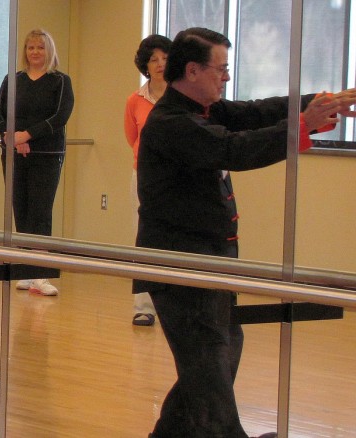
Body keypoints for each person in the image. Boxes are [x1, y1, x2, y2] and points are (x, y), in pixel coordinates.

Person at [135, 27, 356, 438]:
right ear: (193, 70)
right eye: (221, 69)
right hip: (182, 269)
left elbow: (258, 112)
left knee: (215, 362)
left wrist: (322, 102)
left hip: (212, 264)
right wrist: (302, 126)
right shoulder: (170, 123)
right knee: (210, 372)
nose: (226, 78)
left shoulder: (206, 109)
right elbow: (234, 150)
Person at [0, 28, 74, 296]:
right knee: (21, 209)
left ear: (49, 51)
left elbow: (60, 116)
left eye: (40, 47)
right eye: (30, 48)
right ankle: (25, 269)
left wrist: (29, 135)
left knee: (40, 212)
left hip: (46, 155)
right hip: (14, 151)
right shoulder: (13, 80)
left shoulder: (60, 81)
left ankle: (41, 271)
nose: (35, 52)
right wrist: (13, 137)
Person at [123, 34, 171, 327]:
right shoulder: (134, 100)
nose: (160, 64)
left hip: (177, 176)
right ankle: (143, 306)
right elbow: (132, 137)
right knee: (143, 238)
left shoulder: (182, 97)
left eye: (165, 58)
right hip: (143, 175)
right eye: (153, 59)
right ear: (145, 64)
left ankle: (173, 303)